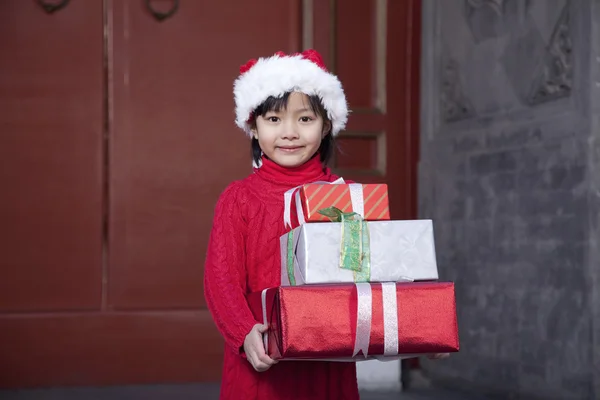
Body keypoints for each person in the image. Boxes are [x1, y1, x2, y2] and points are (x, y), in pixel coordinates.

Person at [204, 49, 446, 400]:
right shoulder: (239, 199)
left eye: (305, 119)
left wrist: (421, 328)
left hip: (327, 363)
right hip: (263, 361)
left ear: (327, 123)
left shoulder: (347, 199)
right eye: (274, 120)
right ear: (252, 128)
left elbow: (379, 275)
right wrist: (243, 333)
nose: (289, 132)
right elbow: (220, 280)